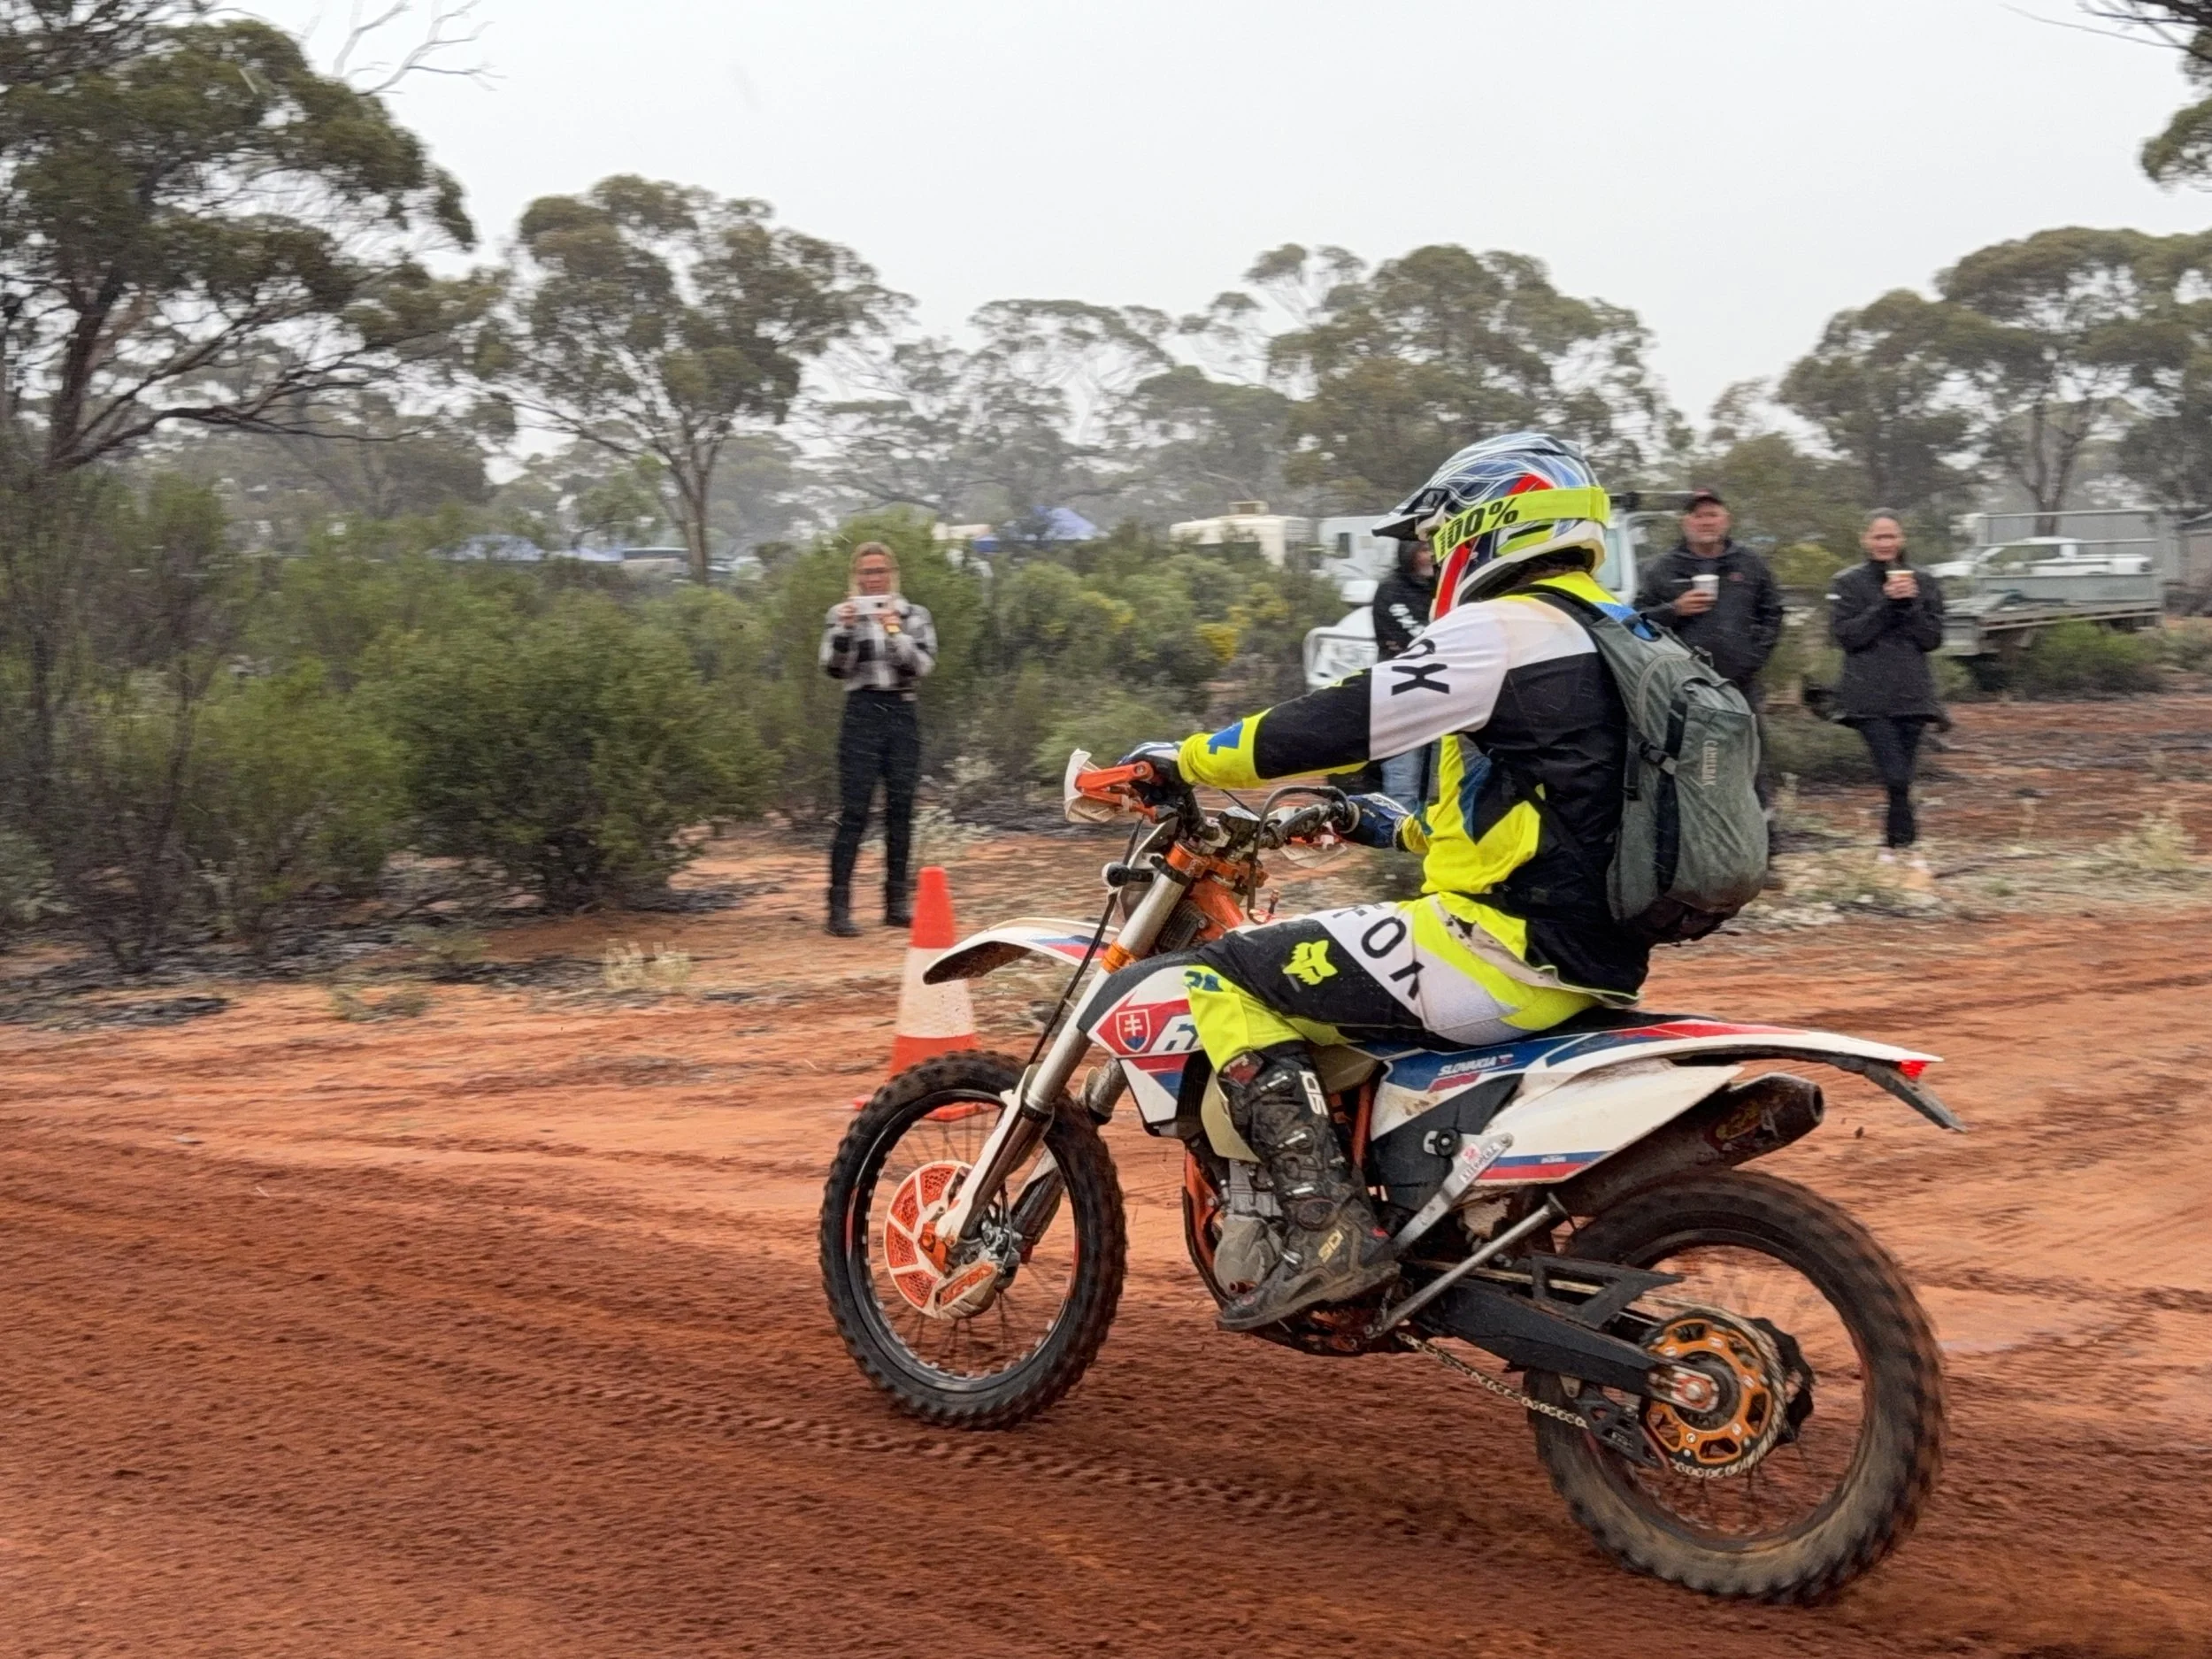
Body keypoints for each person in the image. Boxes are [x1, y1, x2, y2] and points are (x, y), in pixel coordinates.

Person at [1124, 433, 1648, 1333]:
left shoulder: (1503, 628)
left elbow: (1342, 721)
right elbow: (1546, 813)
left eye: (1441, 535)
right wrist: (1381, 821)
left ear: (1490, 527)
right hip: (1595, 949)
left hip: (1501, 948)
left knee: (1221, 972)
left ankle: (1329, 1231)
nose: (1435, 554)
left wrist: (1187, 760)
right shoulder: (1617, 635)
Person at [1634, 488, 1785, 876]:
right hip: (1683, 689)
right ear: (1686, 522)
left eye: (1713, 514)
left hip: (1739, 684)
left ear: (1726, 519)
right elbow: (1635, 621)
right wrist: (1674, 610)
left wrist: (1755, 657)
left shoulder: (1749, 564)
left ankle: (1765, 853)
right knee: (1687, 768)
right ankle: (1692, 856)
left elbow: (1773, 613)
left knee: (1751, 763)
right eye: (1698, 516)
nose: (1706, 521)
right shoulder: (1662, 568)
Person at [820, 541, 938, 936]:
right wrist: (847, 631)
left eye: (880, 571)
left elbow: (921, 665)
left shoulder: (915, 615)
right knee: (854, 811)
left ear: (893, 573)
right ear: (857, 577)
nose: (874, 578)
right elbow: (834, 668)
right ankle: (838, 907)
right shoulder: (840, 616)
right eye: (867, 572)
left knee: (901, 810)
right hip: (862, 713)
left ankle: (896, 902)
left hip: (902, 712)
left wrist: (893, 630)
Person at [1828, 511, 1946, 865]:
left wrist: (1909, 604)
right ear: (1866, 540)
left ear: (1902, 540)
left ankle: (1896, 847)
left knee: (1903, 777)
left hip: (1912, 692)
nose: (1884, 543)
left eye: (1890, 536)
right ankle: (1904, 844)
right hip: (1867, 694)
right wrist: (1885, 603)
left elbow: (1932, 638)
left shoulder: (1924, 582)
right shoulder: (1847, 583)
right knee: (1893, 773)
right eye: (1878, 537)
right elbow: (1848, 637)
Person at [1369, 534, 1439, 813]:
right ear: (1408, 553)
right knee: (1402, 781)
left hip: (1438, 695)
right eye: (1424, 550)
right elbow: (1416, 639)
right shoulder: (1391, 590)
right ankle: (1396, 844)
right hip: (1399, 695)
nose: (1430, 556)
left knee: (1433, 779)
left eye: (1433, 550)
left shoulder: (1442, 589)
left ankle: (1420, 843)